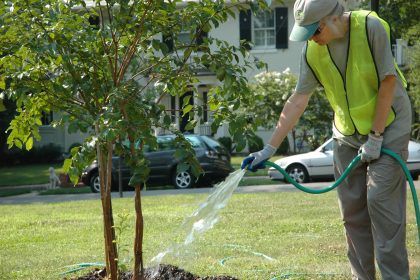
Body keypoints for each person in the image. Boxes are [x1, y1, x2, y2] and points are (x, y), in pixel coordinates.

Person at [241, 0, 412, 279]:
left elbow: (388, 81)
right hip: (346, 134)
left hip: (390, 123)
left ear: (333, 18)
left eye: (315, 31)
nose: (312, 39)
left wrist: (376, 136)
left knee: (380, 202)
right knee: (351, 212)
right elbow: (298, 100)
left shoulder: (371, 27)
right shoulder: (312, 52)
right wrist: (269, 148)